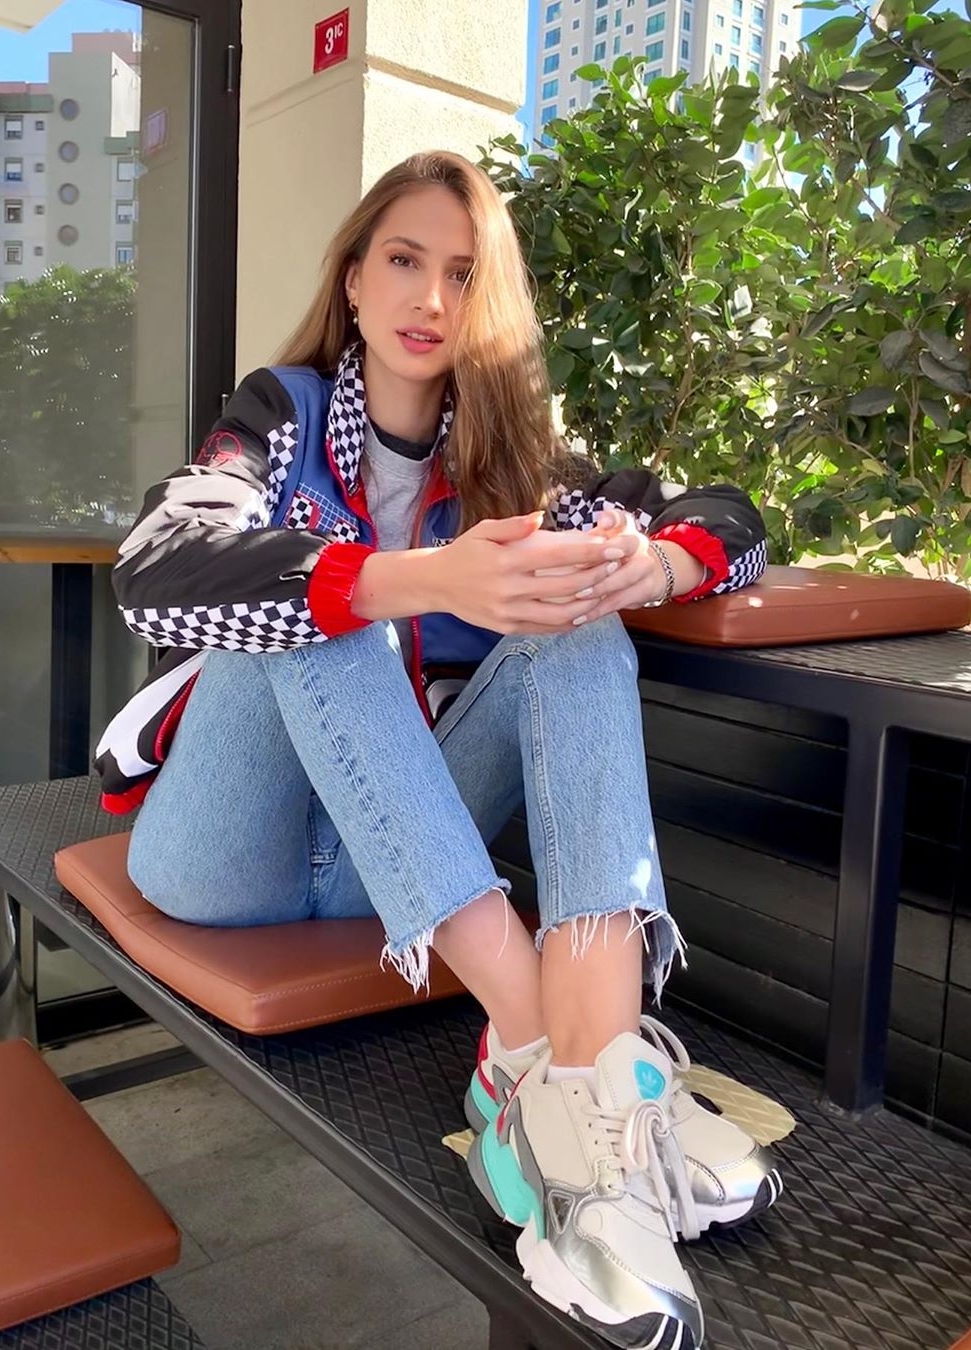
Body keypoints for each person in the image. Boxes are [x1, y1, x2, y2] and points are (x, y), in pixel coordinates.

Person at [94, 150, 778, 1350]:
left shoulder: (515, 472)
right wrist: (418, 577)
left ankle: (589, 1116)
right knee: (329, 605)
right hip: (225, 851)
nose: (429, 298)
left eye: (464, 274)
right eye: (404, 260)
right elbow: (154, 565)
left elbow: (732, 516)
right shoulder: (277, 418)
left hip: (392, 858)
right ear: (354, 280)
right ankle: (552, 1061)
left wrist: (655, 566)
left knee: (577, 623)